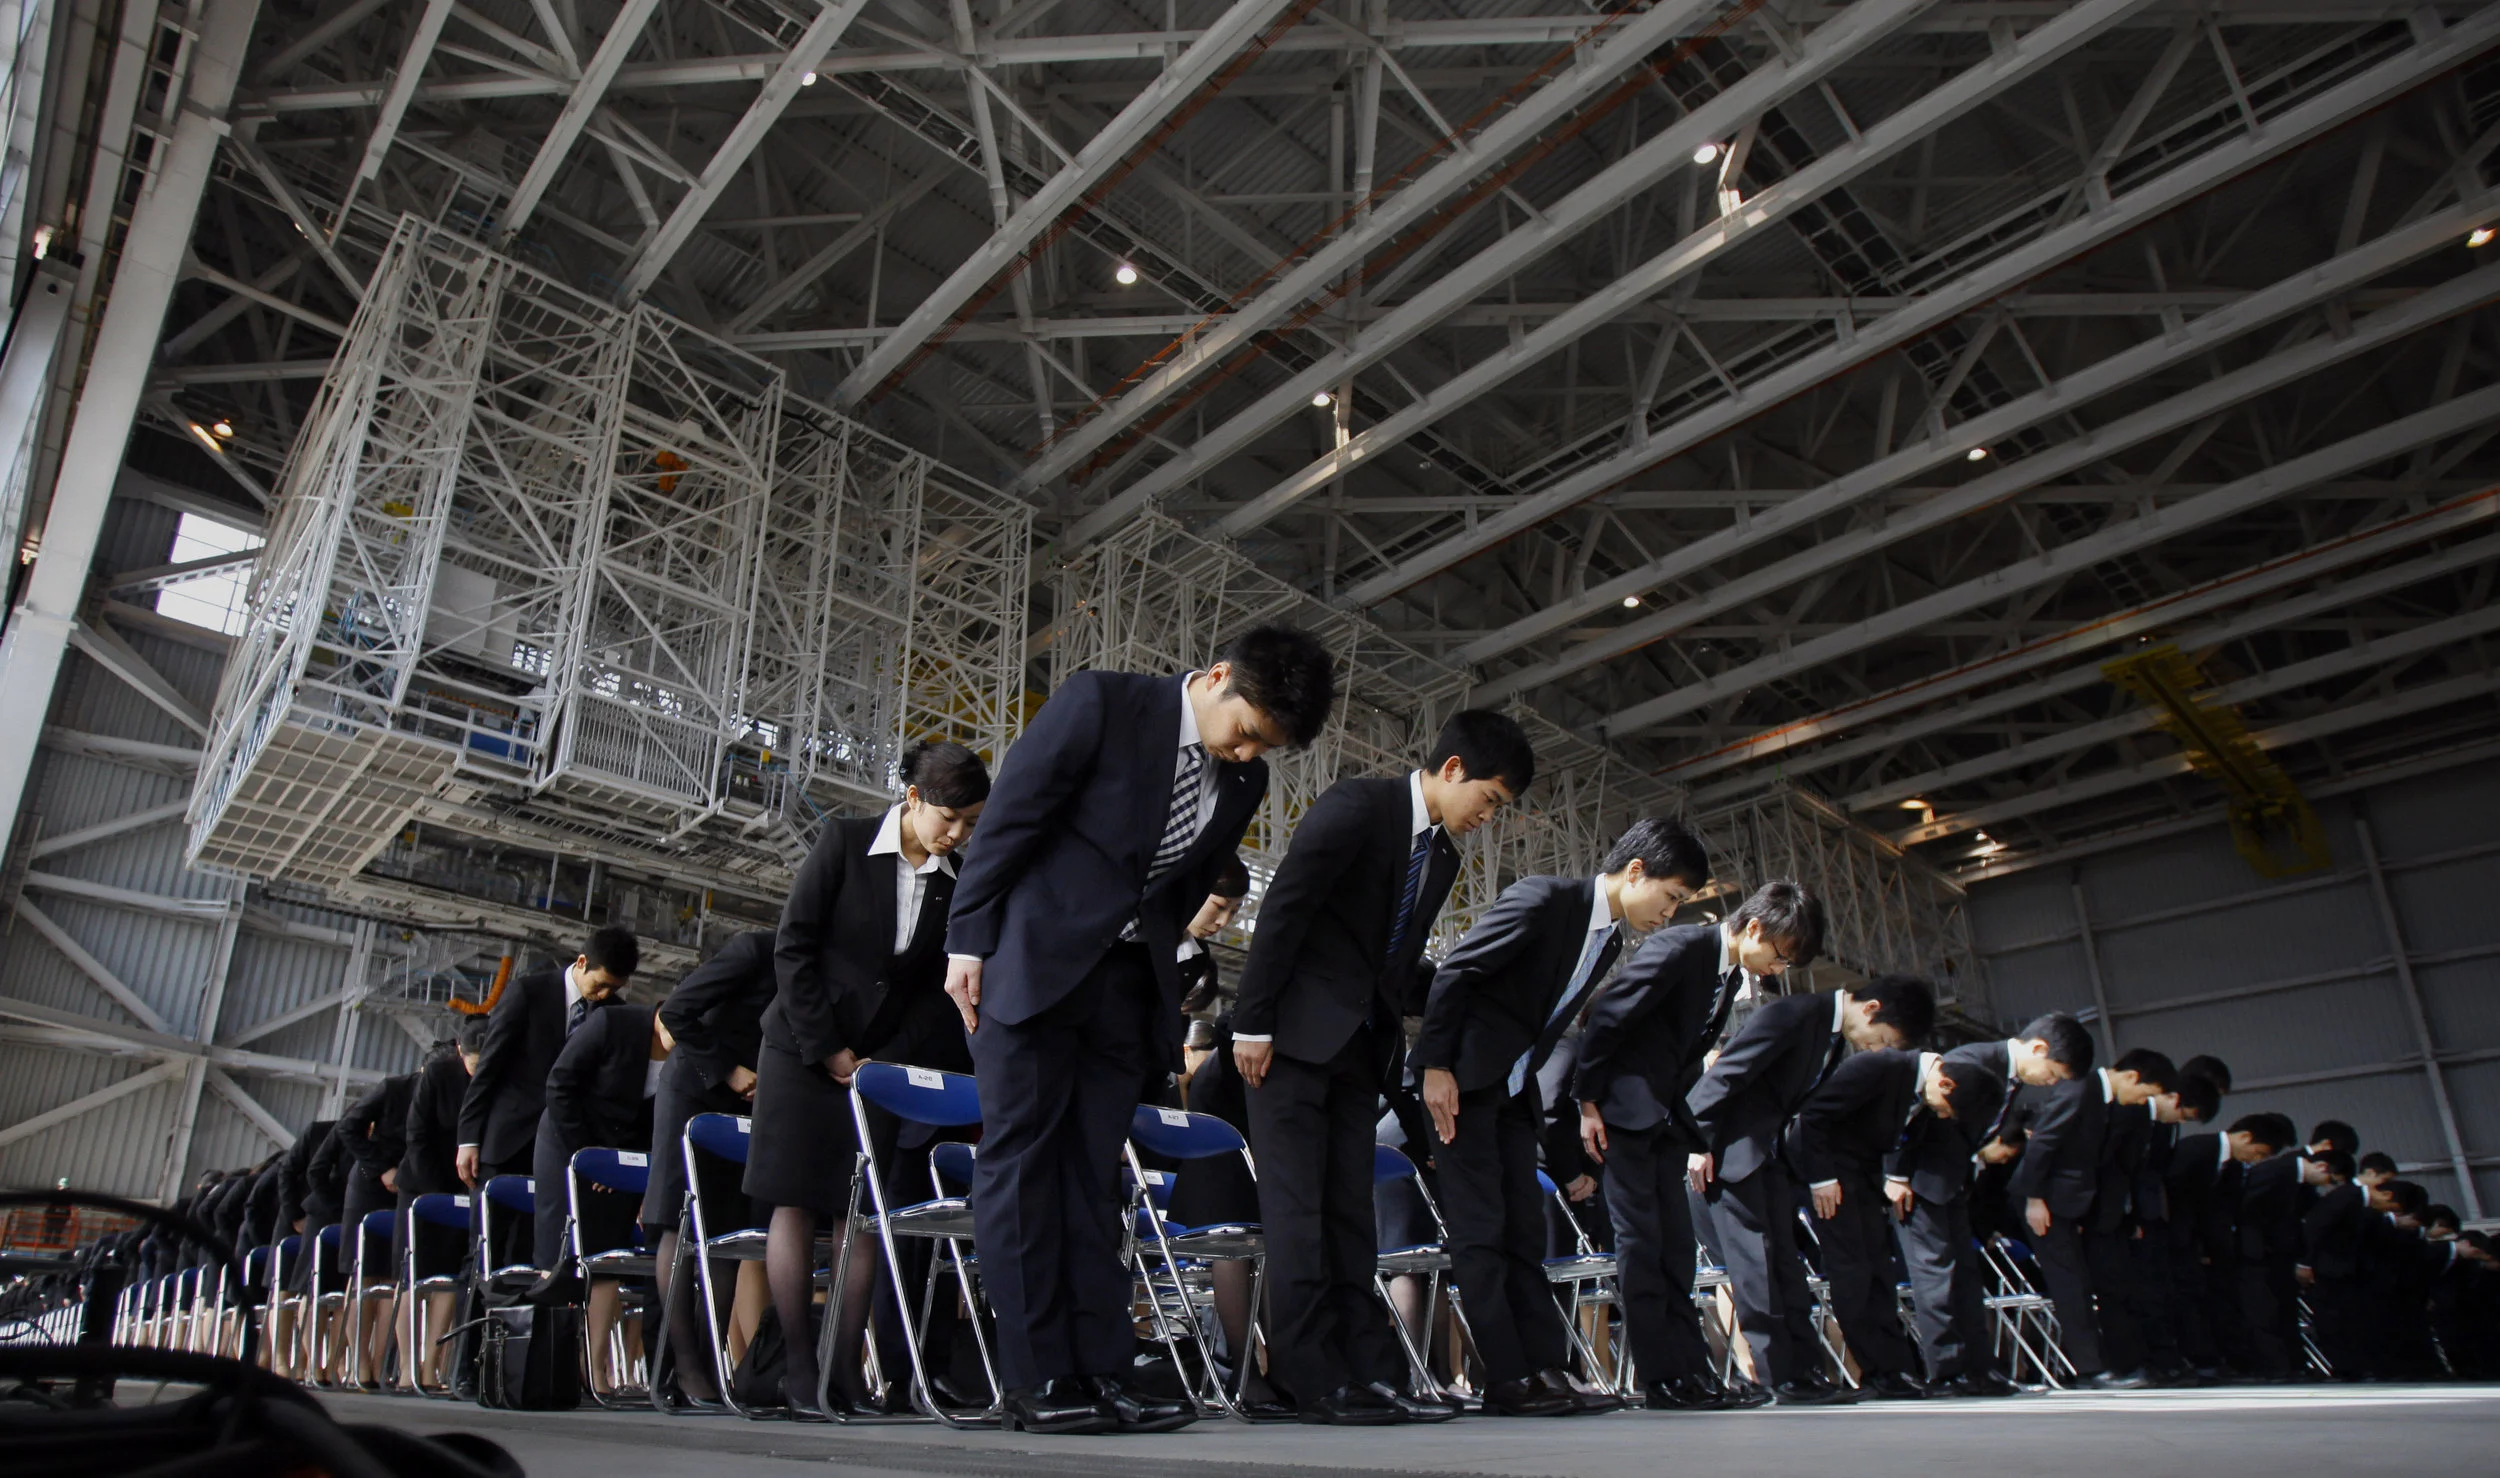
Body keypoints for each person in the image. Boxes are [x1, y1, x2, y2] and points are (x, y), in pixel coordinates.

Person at [942, 627, 1333, 1435]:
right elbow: (1013, 819)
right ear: (1217, 677)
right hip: (1035, 968)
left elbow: (1181, 883)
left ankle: (1100, 1370)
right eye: (1249, 729)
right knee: (1024, 1168)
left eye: (1268, 746)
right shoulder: (1102, 703)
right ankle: (1037, 1376)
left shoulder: (1244, 782)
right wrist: (967, 938)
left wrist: (1171, 964)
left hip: (1123, 993)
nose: (1249, 752)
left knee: (1093, 1183)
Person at [1232, 709, 1532, 1425]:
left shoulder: (1444, 857)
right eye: (1488, 800)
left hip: (1359, 1052)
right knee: (1297, 1215)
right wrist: (1252, 1019)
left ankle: (1368, 1373)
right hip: (1287, 1043)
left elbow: (1394, 961)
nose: (1488, 817)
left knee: (1348, 1216)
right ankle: (1311, 1380)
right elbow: (1285, 910)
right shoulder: (1357, 807)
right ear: (1452, 769)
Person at [1412, 825, 1706, 1416]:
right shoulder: (1544, 897)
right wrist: (1436, 1064)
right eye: (1670, 896)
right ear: (1637, 871)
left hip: (1515, 1097)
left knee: (1525, 1232)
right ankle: (1505, 1377)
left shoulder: (1607, 943)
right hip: (1462, 1087)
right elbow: (1458, 971)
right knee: (1481, 1233)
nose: (1670, 914)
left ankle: (1546, 1367)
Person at [750, 740, 990, 1416]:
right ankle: (800, 1370)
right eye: (951, 817)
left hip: (878, 1069)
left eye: (972, 823)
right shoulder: (844, 842)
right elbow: (793, 946)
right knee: (797, 1202)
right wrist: (826, 1046)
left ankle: (845, 1373)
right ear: (912, 799)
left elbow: (927, 993)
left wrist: (887, 1068)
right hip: (803, 1050)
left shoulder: (956, 880)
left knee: (859, 1212)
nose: (958, 834)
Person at [1574, 837, 1779, 1412]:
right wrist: (1588, 1100)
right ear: (1758, 930)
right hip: (1623, 1116)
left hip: (1665, 1122)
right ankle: (1662, 1379)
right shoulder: (1682, 947)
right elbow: (1609, 1015)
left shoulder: (1729, 979)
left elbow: (1685, 1054)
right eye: (1782, 955)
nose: (1778, 968)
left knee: (1676, 1251)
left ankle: (1693, 1373)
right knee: (1641, 1248)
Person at [1686, 961, 1927, 1404]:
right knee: (1756, 1271)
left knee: (1786, 1270)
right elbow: (1725, 1075)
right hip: (1731, 1156)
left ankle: (1804, 1370)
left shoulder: (1829, 1035)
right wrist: (1697, 1142)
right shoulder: (1793, 1015)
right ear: (1872, 1009)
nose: (1877, 1050)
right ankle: (1777, 1375)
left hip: (1769, 1159)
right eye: (1884, 1039)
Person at [1892, 1013, 2089, 1396]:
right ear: (2038, 1048)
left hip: (1953, 1185)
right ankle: (1947, 1372)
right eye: (2052, 1073)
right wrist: (1896, 1175)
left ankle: (1981, 1369)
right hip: (1921, 1182)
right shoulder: (1972, 1062)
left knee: (1966, 1277)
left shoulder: (2009, 1076)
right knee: (1936, 1279)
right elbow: (1912, 1114)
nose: (2050, 1083)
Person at [1791, 1044, 1967, 1400]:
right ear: (1946, 1085)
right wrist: (1821, 1178)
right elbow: (1814, 1116)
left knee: (1879, 1272)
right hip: (1830, 1178)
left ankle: (1896, 1367)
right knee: (1852, 1272)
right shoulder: (1878, 1066)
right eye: (1947, 1109)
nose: (1943, 1116)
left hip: (1865, 1179)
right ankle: (1875, 1370)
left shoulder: (1918, 1087)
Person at [650, 927, 777, 1404]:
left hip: (746, 1101)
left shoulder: (814, 968)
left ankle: (708, 1359)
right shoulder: (752, 950)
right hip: (695, 1088)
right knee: (678, 1222)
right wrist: (728, 1068)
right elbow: (676, 1013)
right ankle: (683, 1367)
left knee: (724, 1227)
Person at [2007, 1044, 2172, 1388]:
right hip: (2043, 1201)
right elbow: (2043, 1143)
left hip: (2069, 1204)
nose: (2142, 1102)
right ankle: (2089, 1370)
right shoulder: (2080, 1088)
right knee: (2070, 1286)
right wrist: (2035, 1200)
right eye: (2144, 1094)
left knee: (2083, 1282)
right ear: (2131, 1076)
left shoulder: (2105, 1098)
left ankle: (2099, 1364)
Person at [536, 1001, 668, 1393]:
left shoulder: (689, 1057)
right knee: (559, 1252)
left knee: (608, 1258)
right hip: (568, 1142)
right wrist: (589, 1155)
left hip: (621, 1158)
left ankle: (594, 1367)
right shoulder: (614, 1022)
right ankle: (552, 1363)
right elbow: (560, 1084)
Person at [457, 928, 642, 1188]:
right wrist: (468, 1138)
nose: (604, 995)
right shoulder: (527, 993)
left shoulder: (616, 1016)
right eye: (600, 984)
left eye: (613, 989)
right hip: (508, 1143)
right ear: (581, 962)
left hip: (565, 1150)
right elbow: (489, 1066)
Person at [2077, 1047, 2179, 1385]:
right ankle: (2121, 1364)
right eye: (2148, 1094)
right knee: (2112, 1291)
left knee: (2123, 1289)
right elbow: (2101, 1162)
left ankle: (2134, 1362)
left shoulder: (2127, 1110)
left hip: (2114, 1214)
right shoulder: (2100, 1099)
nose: (2143, 1100)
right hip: (2093, 1211)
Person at [398, 1018, 478, 1391]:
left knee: (450, 1279)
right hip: (422, 1185)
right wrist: (434, 1193)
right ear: (461, 1050)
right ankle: (405, 1369)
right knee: (414, 1280)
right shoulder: (437, 1075)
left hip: (463, 1187)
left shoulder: (492, 1076)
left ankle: (433, 1365)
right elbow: (417, 1134)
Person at [2231, 1112, 2307, 1379]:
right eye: (2261, 1153)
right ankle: (2269, 1366)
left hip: (2257, 1251)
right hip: (2240, 1250)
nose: (2258, 1161)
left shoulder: (2252, 1169)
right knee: (2256, 1310)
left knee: (2265, 1309)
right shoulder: (2258, 1171)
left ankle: (2278, 1366)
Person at [2296, 1148, 2366, 1375]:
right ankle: (2351, 1366)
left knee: (2332, 1319)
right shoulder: (2349, 1197)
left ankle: (2345, 1367)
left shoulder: (2337, 1198)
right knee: (2345, 1318)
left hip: (2327, 1268)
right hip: (2342, 1268)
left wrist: (2305, 1263)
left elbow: (2315, 1228)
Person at [1177, 855, 1251, 1019]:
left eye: (1234, 912)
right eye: (1219, 906)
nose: (1223, 922)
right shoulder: (1131, 937)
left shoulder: (1198, 959)